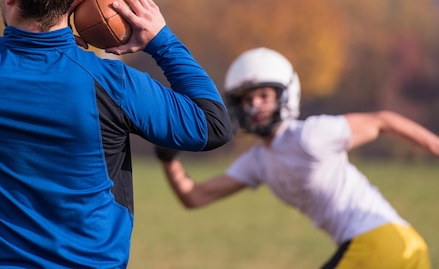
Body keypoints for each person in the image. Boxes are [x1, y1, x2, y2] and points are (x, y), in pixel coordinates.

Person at [0, 0, 233, 269]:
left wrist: (60, 30)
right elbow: (213, 125)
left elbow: (22, 59)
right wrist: (162, 40)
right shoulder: (111, 84)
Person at [155, 47, 439, 269]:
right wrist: (169, 159)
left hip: (380, 241)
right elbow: (195, 197)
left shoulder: (310, 135)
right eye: (246, 99)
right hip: (406, 247)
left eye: (264, 95)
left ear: (285, 95)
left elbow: (383, 121)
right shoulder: (258, 161)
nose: (255, 105)